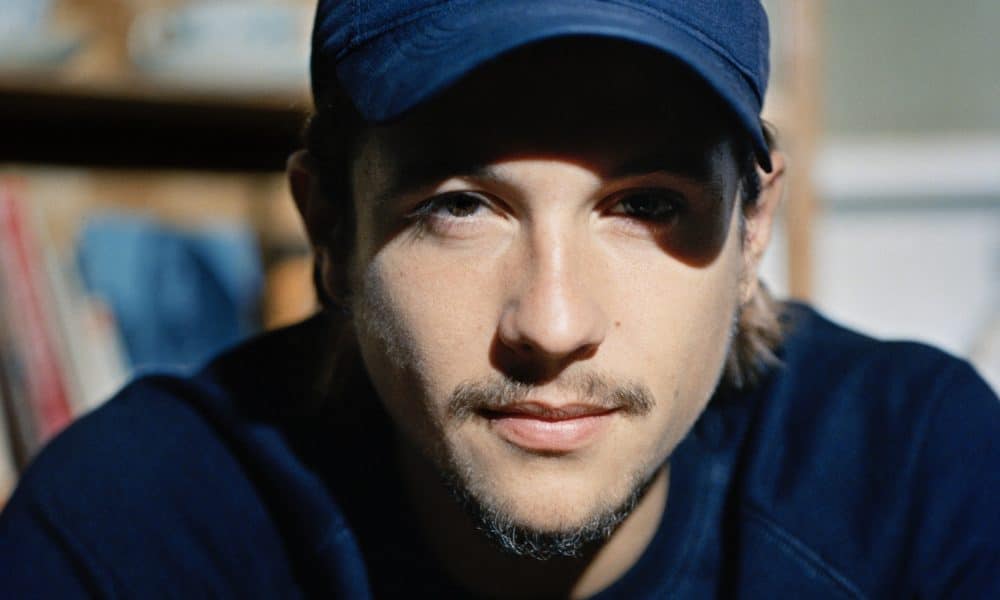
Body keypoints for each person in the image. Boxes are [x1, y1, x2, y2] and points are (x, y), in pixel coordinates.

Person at [1, 1, 998, 597]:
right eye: (459, 207)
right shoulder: (135, 531)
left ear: (752, 229)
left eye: (646, 205)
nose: (552, 325)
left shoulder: (917, 486)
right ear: (331, 227)